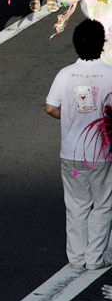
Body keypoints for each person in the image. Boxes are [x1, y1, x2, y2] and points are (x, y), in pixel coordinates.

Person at [46, 19, 112, 271]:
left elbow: (51, 108)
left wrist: (72, 116)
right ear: (102, 45)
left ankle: (76, 257)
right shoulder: (109, 75)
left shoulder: (65, 74)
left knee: (76, 205)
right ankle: (96, 257)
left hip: (72, 156)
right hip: (101, 155)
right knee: (103, 204)